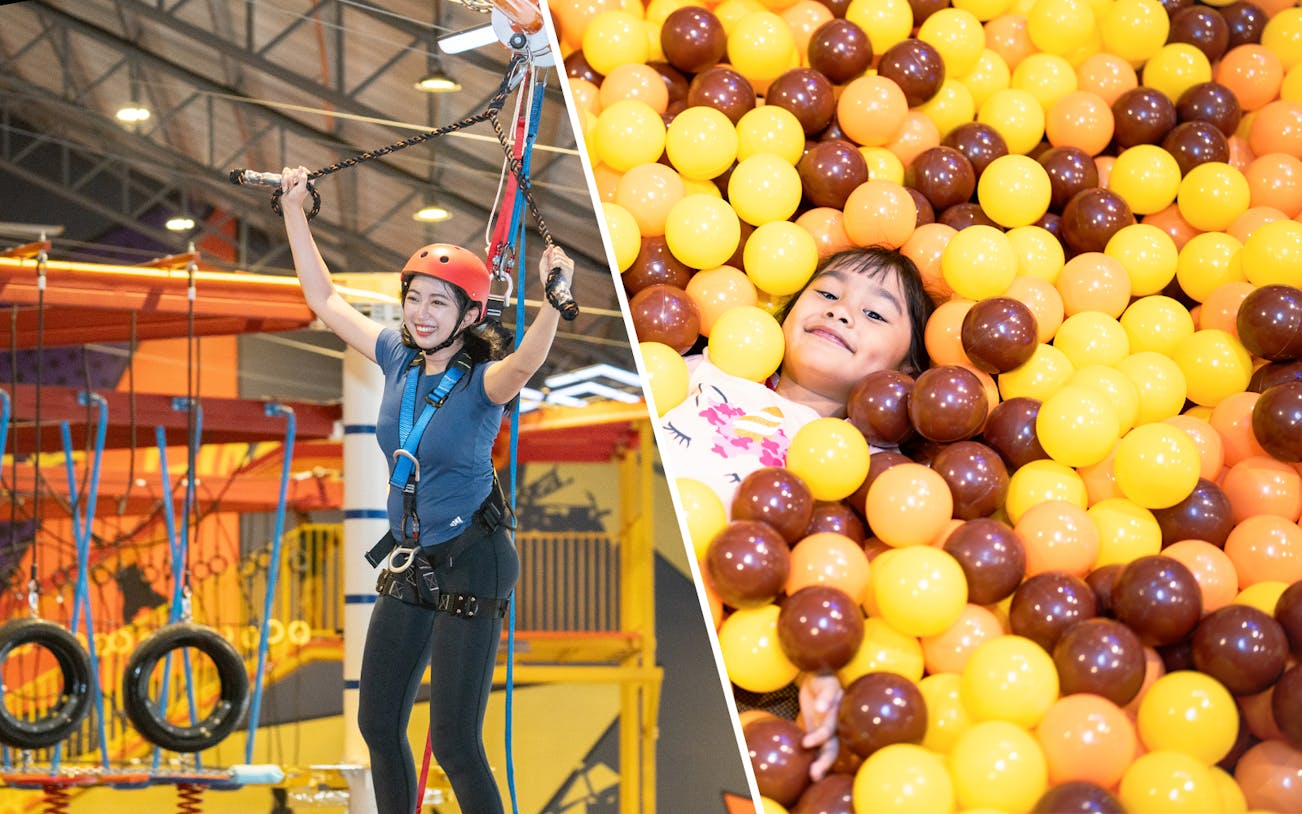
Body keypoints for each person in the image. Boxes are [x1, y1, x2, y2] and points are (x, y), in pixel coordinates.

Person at [280, 165, 574, 814]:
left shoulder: (484, 382)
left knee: (454, 740)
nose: (421, 313)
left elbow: (525, 362)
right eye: (415, 297)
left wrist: (552, 302)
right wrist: (295, 211)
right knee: (379, 725)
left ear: (471, 314)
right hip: (414, 558)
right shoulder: (393, 354)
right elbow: (326, 301)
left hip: (474, 557)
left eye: (440, 303)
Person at [659, 246, 935, 781]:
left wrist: (822, 665)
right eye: (827, 294)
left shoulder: (862, 465)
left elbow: (834, 569)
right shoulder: (703, 365)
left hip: (701, 603)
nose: (840, 311)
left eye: (875, 314)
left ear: (905, 370)